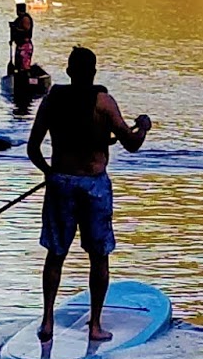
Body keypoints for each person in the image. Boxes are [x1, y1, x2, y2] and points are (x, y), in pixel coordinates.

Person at [28, 46, 151, 342]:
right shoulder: (104, 103)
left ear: (69, 71)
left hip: (61, 184)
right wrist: (144, 128)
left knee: (55, 254)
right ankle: (95, 326)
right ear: (93, 73)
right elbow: (132, 144)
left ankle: (47, 321)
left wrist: (50, 172)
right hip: (94, 186)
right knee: (99, 256)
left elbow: (33, 149)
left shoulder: (52, 100)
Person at [9, 0, 35, 78]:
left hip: (25, 46)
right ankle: (19, 79)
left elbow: (26, 29)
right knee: (18, 66)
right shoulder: (18, 19)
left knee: (24, 66)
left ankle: (27, 80)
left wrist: (15, 28)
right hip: (19, 45)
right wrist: (12, 39)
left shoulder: (25, 18)